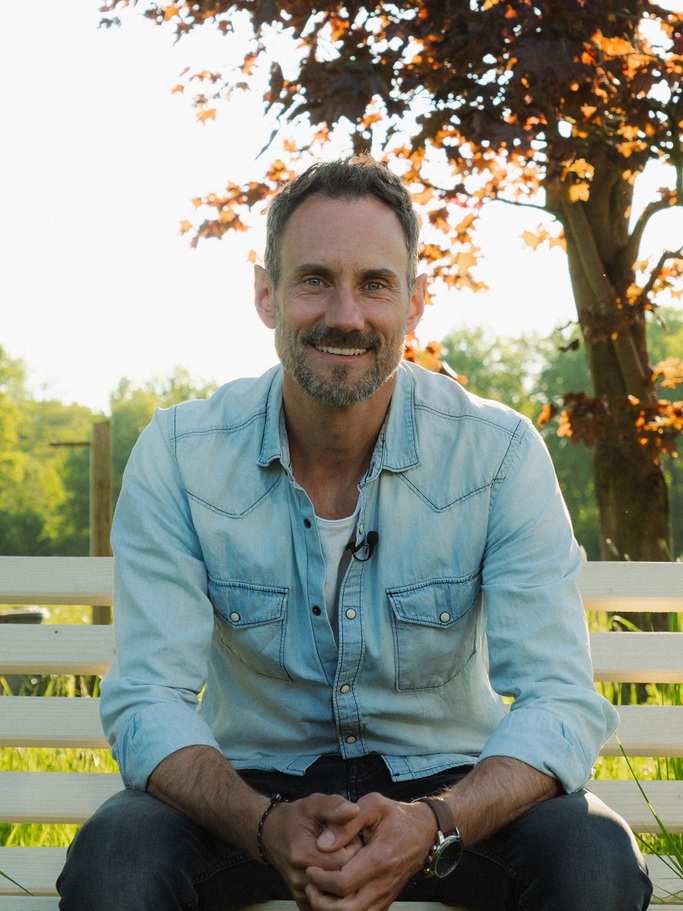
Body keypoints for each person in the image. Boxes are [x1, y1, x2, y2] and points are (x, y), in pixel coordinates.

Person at [58, 155, 652, 911]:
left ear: (414, 302)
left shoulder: (497, 454)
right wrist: (262, 824)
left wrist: (434, 823)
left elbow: (558, 699)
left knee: (594, 859)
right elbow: (148, 696)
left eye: (375, 283)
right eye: (314, 280)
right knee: (115, 860)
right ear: (266, 293)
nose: (345, 314)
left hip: (448, 792)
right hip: (248, 792)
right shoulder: (180, 454)